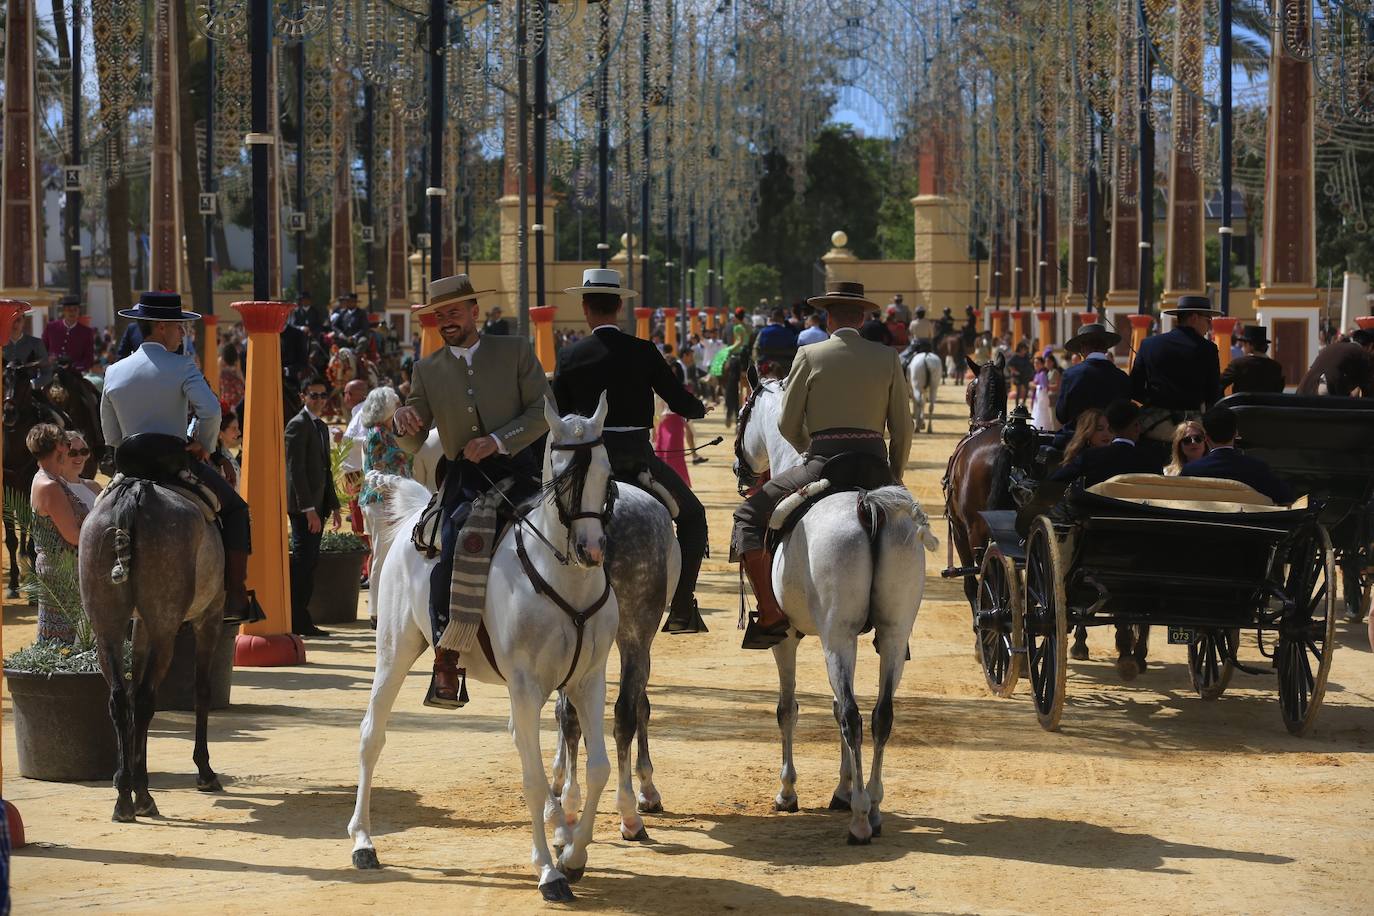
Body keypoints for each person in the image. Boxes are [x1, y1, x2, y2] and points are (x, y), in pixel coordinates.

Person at [392, 274, 549, 709]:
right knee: (456, 539)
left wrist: (498, 440)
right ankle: (447, 656)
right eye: (440, 315)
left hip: (524, 470)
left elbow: (542, 410)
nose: (446, 321)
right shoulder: (426, 369)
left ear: (475, 312)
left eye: (454, 312)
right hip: (466, 480)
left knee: (578, 525)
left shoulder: (515, 350)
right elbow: (414, 429)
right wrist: (403, 421)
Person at [732, 280, 913, 649]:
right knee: (907, 532)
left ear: (828, 318)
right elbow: (902, 429)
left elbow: (785, 423)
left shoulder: (809, 356)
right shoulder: (887, 357)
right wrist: (894, 476)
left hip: (823, 464)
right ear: (862, 318)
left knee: (748, 517)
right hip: (876, 467)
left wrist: (807, 450)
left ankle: (769, 613)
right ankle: (894, 625)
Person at [553, 268, 710, 635]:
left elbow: (559, 414)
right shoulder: (643, 351)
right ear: (619, 308)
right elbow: (678, 399)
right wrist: (698, 409)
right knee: (693, 518)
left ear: (586, 309)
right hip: (637, 460)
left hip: (587, 462)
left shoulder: (571, 355)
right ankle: (683, 605)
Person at [99, 291, 259, 623]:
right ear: (160, 327)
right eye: (178, 327)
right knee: (236, 509)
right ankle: (235, 596)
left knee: (94, 518)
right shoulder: (182, 365)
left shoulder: (113, 371)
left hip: (127, 469)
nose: (181, 333)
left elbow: (112, 436)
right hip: (174, 466)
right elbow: (211, 411)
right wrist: (202, 442)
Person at [286, 376, 343, 638]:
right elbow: (295, 470)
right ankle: (297, 618)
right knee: (303, 563)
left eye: (323, 395)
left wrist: (333, 505)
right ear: (303, 396)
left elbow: (325, 468)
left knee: (309, 563)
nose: (319, 400)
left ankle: (300, 616)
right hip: (303, 508)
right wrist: (308, 508)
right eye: (314, 395)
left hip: (318, 504)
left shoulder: (320, 426)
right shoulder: (298, 425)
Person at [1130, 295, 1222, 441]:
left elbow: (1134, 388)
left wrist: (1155, 400)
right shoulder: (1208, 349)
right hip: (1191, 428)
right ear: (1194, 318)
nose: (1209, 326)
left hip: (1154, 426)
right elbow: (1213, 394)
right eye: (1208, 319)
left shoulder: (1148, 344)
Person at [27, 424, 87, 642]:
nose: (70, 450)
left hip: (62, 568)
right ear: (59, 447)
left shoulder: (49, 478)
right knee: (63, 641)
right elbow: (73, 536)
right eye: (68, 445)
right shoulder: (49, 485)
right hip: (62, 571)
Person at [1180, 405, 1294, 503]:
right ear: (1236, 433)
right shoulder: (1257, 468)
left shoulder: (1191, 471)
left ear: (1206, 438)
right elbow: (1285, 497)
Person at [1049, 399, 1162, 487]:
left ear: (1111, 428)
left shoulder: (1090, 457)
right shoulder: (1153, 460)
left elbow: (1054, 481)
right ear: (1137, 427)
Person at [1053, 323, 1131, 449]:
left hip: (1077, 443)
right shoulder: (1122, 377)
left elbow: (1061, 414)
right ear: (1106, 349)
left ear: (1082, 349)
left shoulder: (1071, 375)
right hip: (1111, 444)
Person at [1297, 328, 1374, 396]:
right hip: (1325, 390)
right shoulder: (1363, 355)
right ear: (1371, 346)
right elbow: (1368, 388)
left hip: (1305, 388)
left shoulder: (1335, 346)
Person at [1221, 325, 1286, 394]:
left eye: (1244, 344)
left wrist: (1223, 403)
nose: (1243, 347)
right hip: (1266, 404)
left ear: (1249, 345)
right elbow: (1278, 392)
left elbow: (1219, 384)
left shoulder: (1237, 364)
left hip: (1241, 404)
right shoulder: (1276, 367)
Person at [41, 295, 96, 372]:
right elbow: (42, 349)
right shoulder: (51, 327)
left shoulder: (86, 332)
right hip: (51, 371)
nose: (72, 312)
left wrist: (74, 367)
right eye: (69, 310)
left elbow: (89, 359)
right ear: (63, 311)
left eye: (75, 310)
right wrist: (48, 359)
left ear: (79, 311)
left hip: (74, 374)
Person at [4, 313, 50, 387]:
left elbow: (47, 372)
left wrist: (34, 384)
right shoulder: (1, 345)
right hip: (3, 391)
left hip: (29, 392)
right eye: (12, 320)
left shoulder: (36, 343)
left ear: (23, 322)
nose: (15, 324)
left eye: (18, 320)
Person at [212, 404, 242, 490]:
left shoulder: (226, 454)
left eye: (238, 428)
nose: (239, 433)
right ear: (220, 431)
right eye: (234, 428)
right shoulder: (218, 461)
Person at [217, 342, 246, 411]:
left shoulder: (220, 362)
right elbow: (240, 374)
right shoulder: (236, 362)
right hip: (237, 393)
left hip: (226, 394)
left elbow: (218, 378)